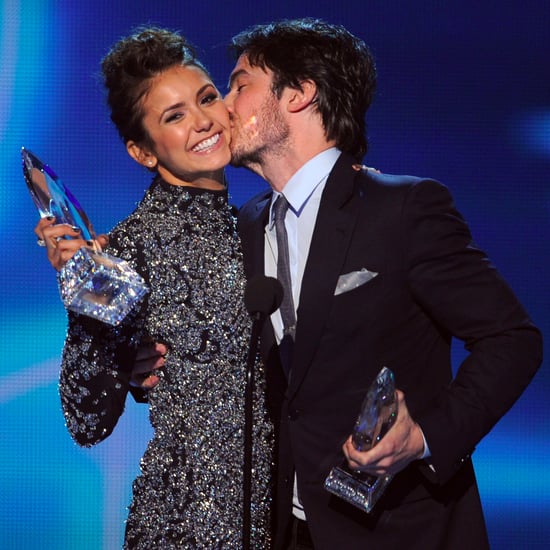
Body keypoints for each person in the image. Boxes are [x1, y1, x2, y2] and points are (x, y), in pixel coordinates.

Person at [224, 18, 543, 550]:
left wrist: (424, 436)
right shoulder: (250, 223)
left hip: (398, 530)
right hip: (290, 529)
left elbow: (513, 339)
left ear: (301, 94)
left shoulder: (403, 209)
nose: (224, 104)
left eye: (240, 85)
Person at [35, 27, 273, 549]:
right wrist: (88, 294)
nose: (204, 121)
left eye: (207, 98)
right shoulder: (125, 251)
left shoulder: (263, 224)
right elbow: (85, 421)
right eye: (175, 116)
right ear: (143, 152)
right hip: (184, 529)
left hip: (282, 523)